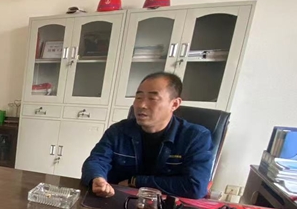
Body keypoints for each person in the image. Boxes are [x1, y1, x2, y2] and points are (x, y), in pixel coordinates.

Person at [81, 72, 213, 199]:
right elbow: (96, 160)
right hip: (117, 202)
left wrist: (136, 181)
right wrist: (97, 178)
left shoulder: (196, 137)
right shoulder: (118, 131)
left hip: (166, 208)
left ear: (174, 104)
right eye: (138, 98)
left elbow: (196, 186)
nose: (141, 105)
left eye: (152, 99)